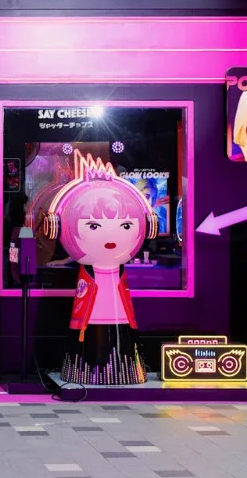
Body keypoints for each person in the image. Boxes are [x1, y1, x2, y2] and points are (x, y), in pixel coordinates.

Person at [42, 151, 157, 385]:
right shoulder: (88, 267)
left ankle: (121, 372)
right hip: (88, 318)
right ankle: (96, 372)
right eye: (93, 226)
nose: (110, 236)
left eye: (126, 226)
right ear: (56, 226)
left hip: (118, 313)